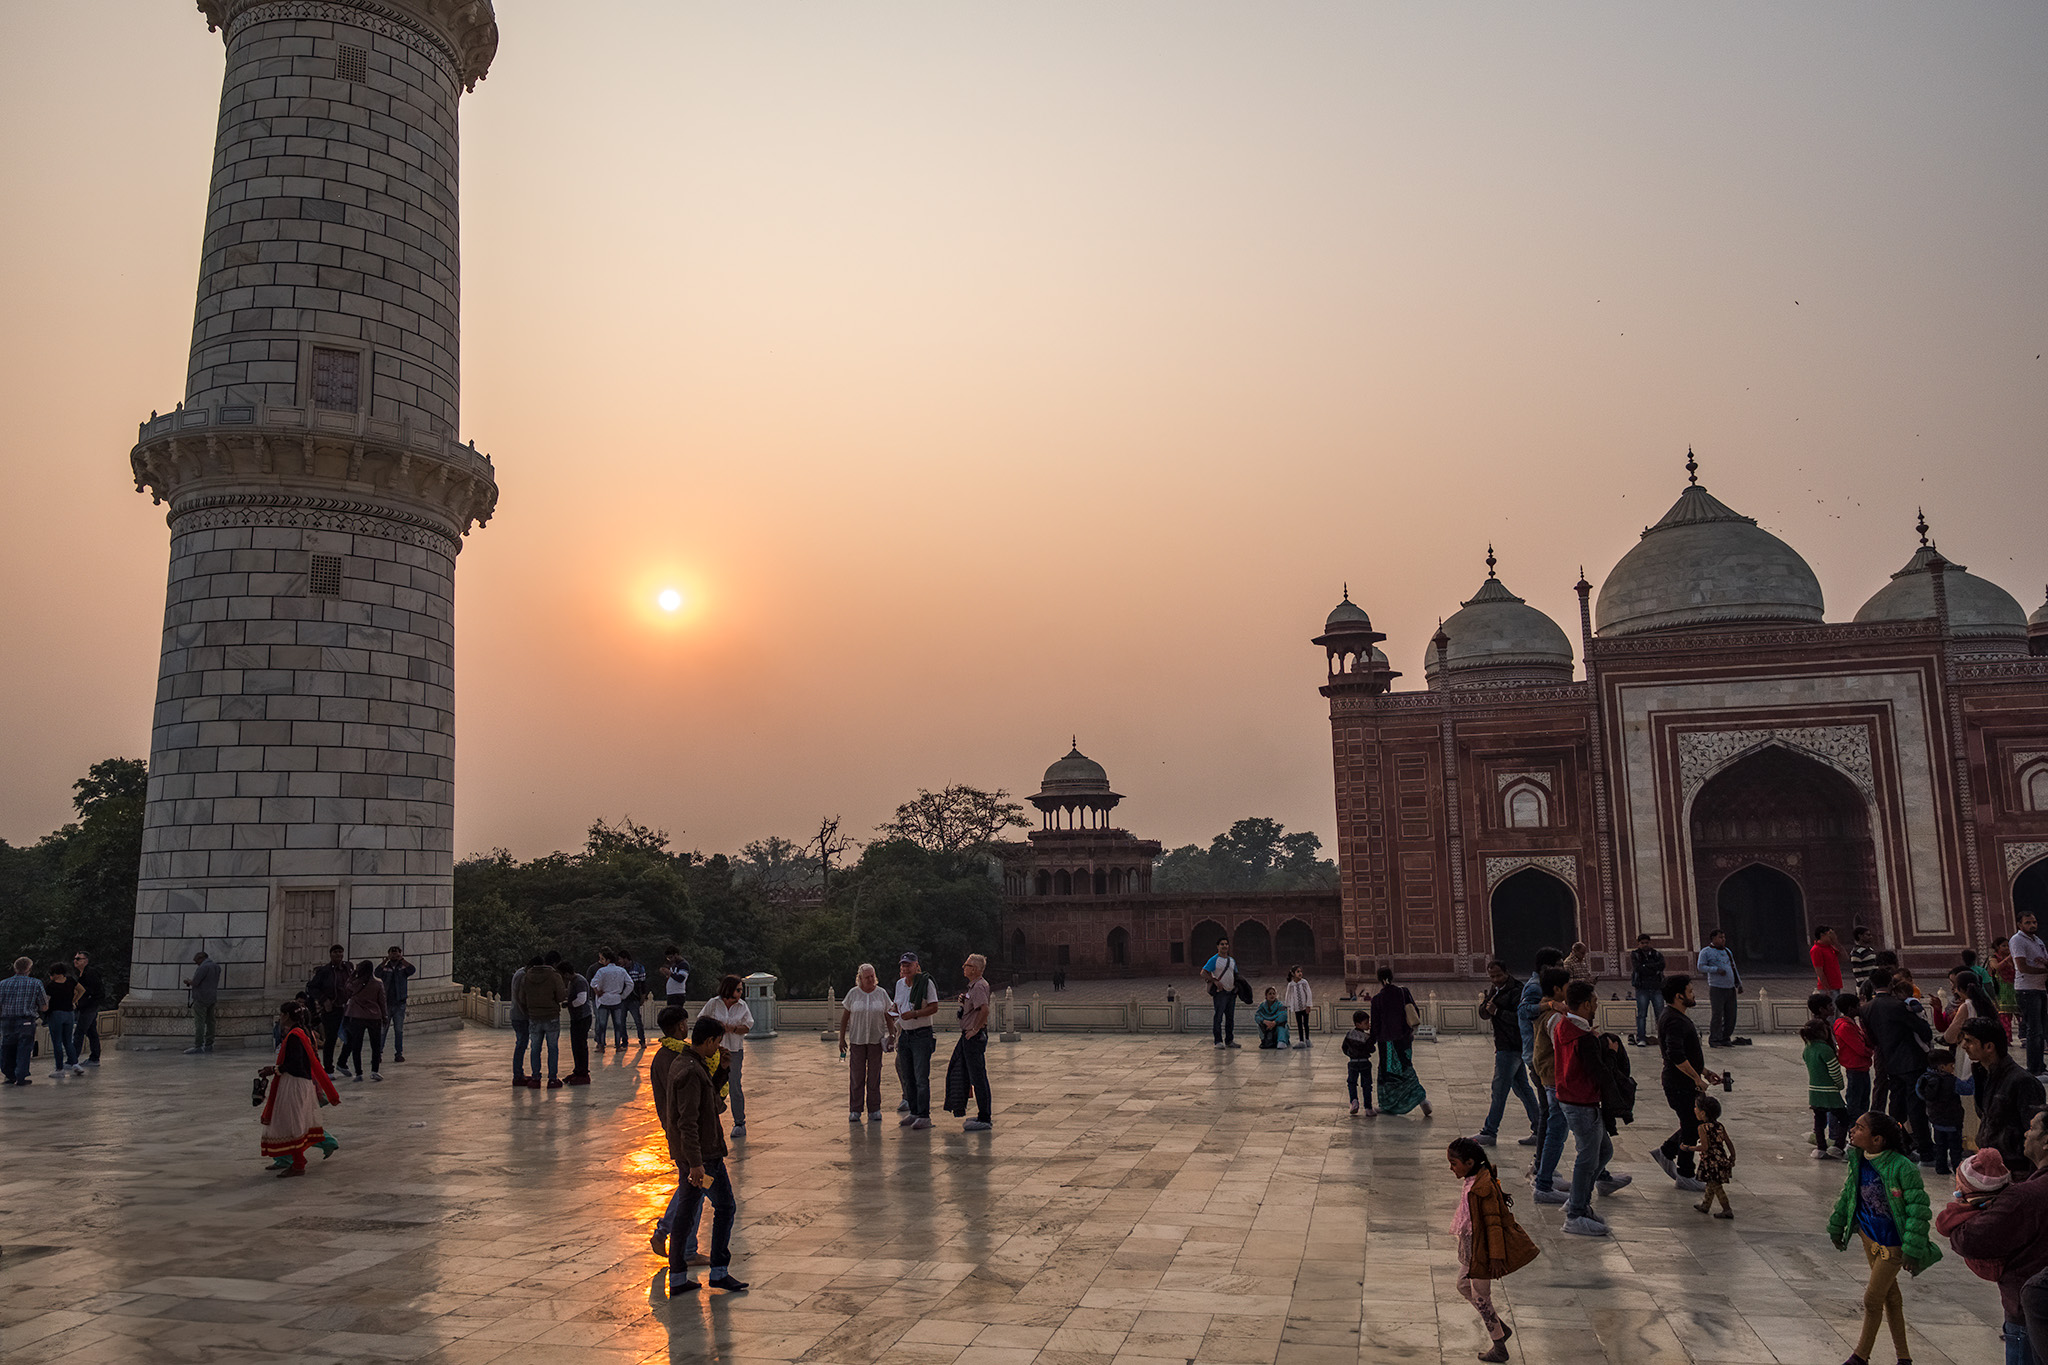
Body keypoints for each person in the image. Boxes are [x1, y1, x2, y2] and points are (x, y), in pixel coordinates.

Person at [1827, 1110, 1941, 1365]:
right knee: (1891, 1297)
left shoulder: (1903, 1167)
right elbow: (1849, 1195)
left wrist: (1912, 1248)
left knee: (1872, 1299)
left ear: (1877, 1140)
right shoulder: (1859, 1159)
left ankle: (1860, 1356)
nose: (1853, 1131)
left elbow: (1918, 1211)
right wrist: (1837, 1225)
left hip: (1893, 1246)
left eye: (1860, 1128)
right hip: (1869, 1239)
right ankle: (1904, 1358)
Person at [1943, 1110, 2048, 1365]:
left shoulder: (2027, 1196)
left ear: (2046, 1141)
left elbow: (1970, 1240)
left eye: (2033, 1128)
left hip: (2028, 1314)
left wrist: (1961, 1210)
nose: (2026, 1133)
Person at [656, 1011, 748, 1293]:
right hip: (704, 1159)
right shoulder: (690, 1071)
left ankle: (678, 1277)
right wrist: (696, 1163)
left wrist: (722, 1071)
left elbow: (708, 1101)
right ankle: (718, 1271)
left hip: (697, 1157)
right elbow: (688, 1122)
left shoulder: (689, 1063)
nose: (718, 1048)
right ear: (708, 1041)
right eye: (717, 1043)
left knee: (686, 1212)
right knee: (724, 1206)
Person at [1445, 1136, 1539, 1362]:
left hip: (1484, 1250)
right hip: (1472, 1247)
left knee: (1481, 1297)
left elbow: (1494, 1224)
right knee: (1463, 1286)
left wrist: (1496, 1257)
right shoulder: (1473, 1180)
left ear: (1469, 1163)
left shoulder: (1483, 1188)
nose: (1451, 1168)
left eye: (1454, 1163)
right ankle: (1500, 1328)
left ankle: (1499, 1348)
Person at [1554, 980, 1620, 1236]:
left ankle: (1579, 1199)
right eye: (1593, 1002)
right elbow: (1600, 1073)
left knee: (1604, 1151)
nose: (1596, 1006)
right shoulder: (1583, 1038)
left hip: (1570, 1098)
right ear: (1584, 1005)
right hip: (1582, 1102)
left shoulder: (1564, 1026)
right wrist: (1611, 1053)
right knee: (1587, 1158)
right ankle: (1576, 1214)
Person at [258, 1002, 342, 1176]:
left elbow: (295, 1064)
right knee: (292, 1122)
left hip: (294, 1083)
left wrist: (273, 1069)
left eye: (282, 1014)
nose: (280, 1018)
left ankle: (298, 1163)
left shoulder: (295, 1035)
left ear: (287, 1016)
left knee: (293, 1124)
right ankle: (289, 1160)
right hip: (298, 1082)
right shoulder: (300, 1032)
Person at [1650, 973, 1716, 1194]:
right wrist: (1696, 1079)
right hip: (1679, 1084)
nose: (1693, 995)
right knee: (1692, 1126)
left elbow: (1685, 1053)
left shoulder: (1675, 1016)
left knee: (1692, 1124)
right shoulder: (1674, 1020)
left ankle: (1667, 1152)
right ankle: (1685, 1173)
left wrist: (1704, 1072)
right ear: (1679, 996)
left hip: (1683, 1082)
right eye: (1690, 991)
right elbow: (1676, 1055)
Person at [1958, 1016, 2045, 1177]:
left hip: (2016, 1172)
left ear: (1989, 1046)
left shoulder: (2022, 1081)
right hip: (1992, 1167)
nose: (1964, 1046)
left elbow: (2036, 1135)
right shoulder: (1982, 1075)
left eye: (1969, 1041)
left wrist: (2031, 1180)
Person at [1864, 971, 1935, 1163]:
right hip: (1912, 1060)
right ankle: (1926, 1149)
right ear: (1890, 983)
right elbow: (1924, 1031)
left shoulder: (1867, 1008)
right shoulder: (1899, 1005)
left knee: (1896, 1105)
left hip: (1890, 1061)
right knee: (1916, 1106)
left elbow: (1872, 1039)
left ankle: (1898, 1145)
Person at [1475, 959, 1539, 1147]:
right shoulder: (1496, 989)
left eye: (1498, 975)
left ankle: (1490, 1131)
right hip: (1506, 1045)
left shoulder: (1517, 990)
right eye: (1492, 976)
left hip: (1511, 1046)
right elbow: (1484, 1013)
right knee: (1522, 1088)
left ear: (1506, 972)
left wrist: (1497, 1012)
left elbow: (1521, 1019)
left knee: (1499, 1090)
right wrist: (1488, 1007)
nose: (1495, 979)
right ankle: (1540, 1129)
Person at [1527, 965, 1573, 1205]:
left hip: (1549, 1076)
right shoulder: (1554, 1014)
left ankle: (1546, 1178)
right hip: (1555, 1078)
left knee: (1556, 1129)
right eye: (1566, 986)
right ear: (1557, 989)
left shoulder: (1547, 1008)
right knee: (1557, 1131)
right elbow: (1561, 1048)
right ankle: (1544, 1183)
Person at [1370, 965, 1431, 1118]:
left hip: (1387, 1043)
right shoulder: (1403, 992)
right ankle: (1422, 1100)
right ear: (1392, 977)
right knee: (1406, 1067)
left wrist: (1370, 1042)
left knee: (1389, 1074)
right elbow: (1414, 1012)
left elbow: (1375, 1025)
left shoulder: (1377, 999)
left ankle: (1387, 1105)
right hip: (1404, 1040)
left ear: (1379, 979)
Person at [943, 953, 994, 1131]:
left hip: (973, 1037)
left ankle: (984, 1117)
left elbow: (984, 1010)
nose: (964, 968)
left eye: (967, 965)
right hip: (970, 1035)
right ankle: (982, 1114)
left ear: (975, 969)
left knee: (977, 1077)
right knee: (968, 1073)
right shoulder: (975, 986)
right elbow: (975, 1008)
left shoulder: (979, 986)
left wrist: (975, 1029)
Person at [699, 975, 755, 1135]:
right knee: (710, 1084)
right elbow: (701, 1020)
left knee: (734, 1085)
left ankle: (739, 1122)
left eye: (741, 990)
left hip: (734, 1050)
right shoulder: (713, 1003)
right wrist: (716, 1027)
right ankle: (708, 1119)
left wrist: (733, 1029)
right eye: (738, 990)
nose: (740, 993)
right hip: (713, 1050)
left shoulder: (742, 1006)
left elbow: (748, 1026)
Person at [839, 962, 894, 1122]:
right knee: (857, 1076)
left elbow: (889, 1016)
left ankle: (874, 1109)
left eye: (872, 976)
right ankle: (855, 1109)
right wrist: (841, 1038)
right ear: (860, 978)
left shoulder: (881, 993)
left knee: (874, 1076)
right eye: (867, 977)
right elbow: (845, 1018)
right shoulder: (853, 994)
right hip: (857, 1040)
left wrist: (892, 1035)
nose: (870, 980)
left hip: (876, 1041)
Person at [892, 952, 941, 1130]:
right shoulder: (900, 984)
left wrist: (914, 1014)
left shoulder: (925, 983)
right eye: (903, 965)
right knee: (908, 1075)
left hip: (921, 1034)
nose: (905, 968)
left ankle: (924, 1115)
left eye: (908, 965)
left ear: (916, 966)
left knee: (921, 1076)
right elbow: (897, 1004)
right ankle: (913, 1111)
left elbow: (934, 1007)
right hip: (905, 1034)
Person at [1802, 991, 1849, 1159]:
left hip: (1814, 1090)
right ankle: (1838, 1145)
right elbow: (1834, 1070)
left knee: (1819, 1120)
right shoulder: (1825, 1049)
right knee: (1844, 1118)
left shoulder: (1808, 1048)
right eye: (1829, 1006)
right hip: (1829, 1091)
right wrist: (1839, 1085)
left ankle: (1821, 1147)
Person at [515, 952, 567, 1089]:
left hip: (534, 1016)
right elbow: (561, 996)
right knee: (553, 1048)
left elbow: (521, 998)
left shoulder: (526, 977)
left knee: (535, 1048)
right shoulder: (554, 976)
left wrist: (529, 1010)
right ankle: (552, 1079)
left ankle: (535, 1078)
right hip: (551, 1016)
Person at [1916, 1047, 1969, 1176]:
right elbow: (1967, 1089)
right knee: (1955, 1148)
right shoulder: (1952, 1081)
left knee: (1940, 1146)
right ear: (1942, 1067)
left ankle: (1941, 1167)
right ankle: (1957, 1169)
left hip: (1936, 1120)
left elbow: (1919, 1093)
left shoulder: (1924, 1079)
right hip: (1953, 1121)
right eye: (1951, 1066)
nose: (1953, 1069)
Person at [1684, 1094, 1734, 1218]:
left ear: (1703, 1113)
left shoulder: (1702, 1128)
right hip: (1721, 1158)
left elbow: (1705, 1147)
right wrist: (1733, 1156)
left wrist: (1689, 1148)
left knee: (1716, 1185)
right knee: (1711, 1184)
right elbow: (1728, 1142)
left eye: (1696, 1107)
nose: (1694, 1109)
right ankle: (1705, 1205)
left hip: (1710, 1161)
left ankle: (1727, 1209)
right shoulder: (1720, 1126)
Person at [337, 959, 388, 1082]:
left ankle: (359, 1073)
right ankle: (374, 1071)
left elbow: (346, 987)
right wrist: (385, 1016)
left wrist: (353, 975)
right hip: (374, 1017)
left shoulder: (355, 983)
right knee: (375, 1045)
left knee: (356, 1046)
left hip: (357, 1016)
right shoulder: (378, 983)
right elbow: (382, 1001)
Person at [2010, 910, 2048, 1075]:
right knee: (2034, 1031)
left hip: (2040, 988)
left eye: (2034, 922)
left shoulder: (2037, 940)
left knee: (2041, 1030)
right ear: (2019, 925)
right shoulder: (2017, 940)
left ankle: (2040, 1067)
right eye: (2028, 923)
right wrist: (2044, 970)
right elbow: (2022, 967)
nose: (2032, 925)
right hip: (2027, 990)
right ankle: (2034, 1069)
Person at [1, 958, 49, 1086]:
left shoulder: (3, 983)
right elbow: (44, 1006)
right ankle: (21, 1076)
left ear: (15, 968)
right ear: (29, 969)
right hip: (26, 1021)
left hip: (7, 1020)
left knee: (7, 1047)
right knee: (24, 1048)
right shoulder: (36, 983)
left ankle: (9, 1074)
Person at [306, 944, 352, 1068]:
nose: (338, 954)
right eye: (335, 952)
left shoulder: (348, 968)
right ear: (330, 954)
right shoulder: (324, 971)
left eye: (340, 952)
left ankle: (342, 1062)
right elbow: (311, 987)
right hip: (332, 1009)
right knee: (331, 1039)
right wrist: (324, 1000)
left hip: (347, 1008)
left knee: (352, 1036)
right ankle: (328, 1067)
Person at [1695, 930, 1742, 1048]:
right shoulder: (1706, 952)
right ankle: (1715, 1039)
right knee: (1717, 1014)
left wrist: (1739, 983)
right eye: (1720, 937)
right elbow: (1700, 967)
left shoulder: (1727, 951)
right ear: (1713, 938)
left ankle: (1725, 1038)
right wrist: (1715, 970)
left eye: (1724, 937)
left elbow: (1733, 967)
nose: (1723, 940)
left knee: (1731, 1015)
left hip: (1730, 987)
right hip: (1717, 987)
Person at [1836, 992, 1875, 1122]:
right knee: (1855, 1103)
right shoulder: (1845, 1027)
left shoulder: (1850, 1024)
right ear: (1850, 1009)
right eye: (1857, 1006)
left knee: (1862, 1101)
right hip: (1855, 1067)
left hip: (1861, 1067)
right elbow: (1860, 1049)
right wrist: (1870, 1051)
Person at [375, 946, 416, 1062]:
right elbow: (377, 973)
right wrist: (385, 960)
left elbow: (412, 970)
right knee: (383, 1030)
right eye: (392, 953)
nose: (394, 954)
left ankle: (398, 1053)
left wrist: (401, 959)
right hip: (387, 1003)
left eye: (396, 952)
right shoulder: (386, 967)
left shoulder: (402, 967)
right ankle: (378, 1053)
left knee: (398, 1030)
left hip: (399, 1003)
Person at [559, 954, 594, 1085]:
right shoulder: (573, 981)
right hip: (576, 1017)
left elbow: (581, 1000)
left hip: (582, 1017)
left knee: (581, 1045)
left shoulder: (579, 981)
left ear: (566, 973)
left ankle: (583, 1073)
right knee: (576, 1045)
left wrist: (568, 1004)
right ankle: (578, 1070)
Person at [43, 962, 82, 1078]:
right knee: (68, 1041)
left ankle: (59, 1069)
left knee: (57, 1042)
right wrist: (73, 1001)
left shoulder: (51, 986)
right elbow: (81, 990)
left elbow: (46, 1002)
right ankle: (75, 1064)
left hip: (56, 1014)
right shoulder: (70, 981)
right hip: (69, 1013)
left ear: (56, 974)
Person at [1203, 937, 1242, 1049]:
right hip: (1220, 992)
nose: (1224, 946)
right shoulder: (1214, 959)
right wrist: (1214, 981)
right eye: (1222, 944)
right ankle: (1218, 1041)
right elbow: (1203, 973)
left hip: (1231, 992)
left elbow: (1235, 974)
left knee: (1230, 1018)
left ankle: (1229, 1040)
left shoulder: (1231, 960)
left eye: (1226, 944)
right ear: (1218, 946)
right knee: (1218, 1017)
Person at [1627, 933, 1665, 1047]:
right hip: (1642, 988)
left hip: (1656, 987)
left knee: (1660, 1014)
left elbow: (1661, 965)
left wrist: (1646, 966)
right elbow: (1638, 968)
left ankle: (1663, 1038)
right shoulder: (1635, 954)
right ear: (1638, 944)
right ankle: (1641, 1038)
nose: (1645, 945)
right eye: (1642, 943)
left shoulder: (1656, 954)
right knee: (1642, 1015)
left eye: (1646, 943)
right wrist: (1652, 967)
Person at [592, 952, 633, 1056]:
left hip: (604, 999)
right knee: (618, 1024)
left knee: (602, 1024)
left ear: (608, 960)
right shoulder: (621, 971)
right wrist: (623, 995)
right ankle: (618, 1045)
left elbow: (593, 983)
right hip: (616, 999)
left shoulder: (602, 971)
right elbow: (630, 984)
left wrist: (597, 992)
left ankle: (601, 1045)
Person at [185, 949, 225, 1056]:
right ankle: (209, 1044)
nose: (197, 964)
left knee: (200, 1022)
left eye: (196, 961)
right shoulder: (216, 967)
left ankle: (198, 1045)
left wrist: (188, 981)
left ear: (201, 958)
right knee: (211, 1021)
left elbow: (196, 982)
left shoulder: (203, 967)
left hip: (201, 998)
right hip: (212, 997)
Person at [71, 952, 104, 1067]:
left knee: (79, 1032)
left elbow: (94, 991)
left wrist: (87, 1002)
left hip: (89, 1007)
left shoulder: (90, 973)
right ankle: (94, 1058)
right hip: (87, 1007)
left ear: (86, 961)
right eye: (75, 958)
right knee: (91, 1032)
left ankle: (73, 1060)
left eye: (78, 959)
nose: (75, 961)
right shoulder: (82, 973)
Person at [509, 955, 535, 1087]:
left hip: (517, 1015)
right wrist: (526, 1013)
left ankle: (519, 1074)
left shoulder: (520, 973)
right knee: (521, 1045)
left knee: (521, 1044)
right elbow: (519, 998)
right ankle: (518, 1075)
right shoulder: (522, 975)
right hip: (520, 1017)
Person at [1342, 1009, 1374, 1116]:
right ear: (1358, 1024)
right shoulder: (1367, 1037)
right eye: (1366, 1023)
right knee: (1367, 1085)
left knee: (1352, 1083)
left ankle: (1354, 1101)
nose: (1368, 1025)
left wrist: (1351, 1054)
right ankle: (1368, 1107)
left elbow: (1344, 1047)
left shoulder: (1349, 1034)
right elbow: (1372, 1049)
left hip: (1353, 1063)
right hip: (1365, 1063)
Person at [617, 950, 650, 1047]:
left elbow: (642, 983)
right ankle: (624, 1041)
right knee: (621, 1021)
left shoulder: (638, 968)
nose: (619, 961)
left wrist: (643, 996)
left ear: (625, 958)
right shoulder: (620, 969)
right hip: (623, 998)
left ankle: (642, 1040)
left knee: (637, 1021)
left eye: (620, 959)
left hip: (634, 998)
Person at [1283, 966, 1313, 1048]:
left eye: (1300, 971)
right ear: (1293, 973)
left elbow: (1309, 993)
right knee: (1299, 1024)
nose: (1300, 973)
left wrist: (1308, 1005)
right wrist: (1287, 1005)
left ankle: (1307, 1039)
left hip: (1304, 1007)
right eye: (1298, 971)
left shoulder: (1304, 982)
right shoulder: (1291, 984)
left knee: (1306, 1024)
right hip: (1297, 1008)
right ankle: (1301, 1041)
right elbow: (1288, 995)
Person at [1810, 924, 1843, 995]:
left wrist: (1836, 942)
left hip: (1836, 985)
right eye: (1830, 934)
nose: (1832, 936)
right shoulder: (1816, 949)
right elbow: (1819, 971)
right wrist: (1827, 988)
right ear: (1822, 935)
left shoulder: (1830, 947)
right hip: (1828, 988)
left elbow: (1844, 958)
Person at [1849, 925, 1880, 992]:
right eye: (1868, 935)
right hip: (1865, 987)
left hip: (1873, 984)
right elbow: (1857, 972)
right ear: (1860, 936)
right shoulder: (1856, 952)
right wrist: (1863, 987)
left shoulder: (1870, 949)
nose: (1870, 937)